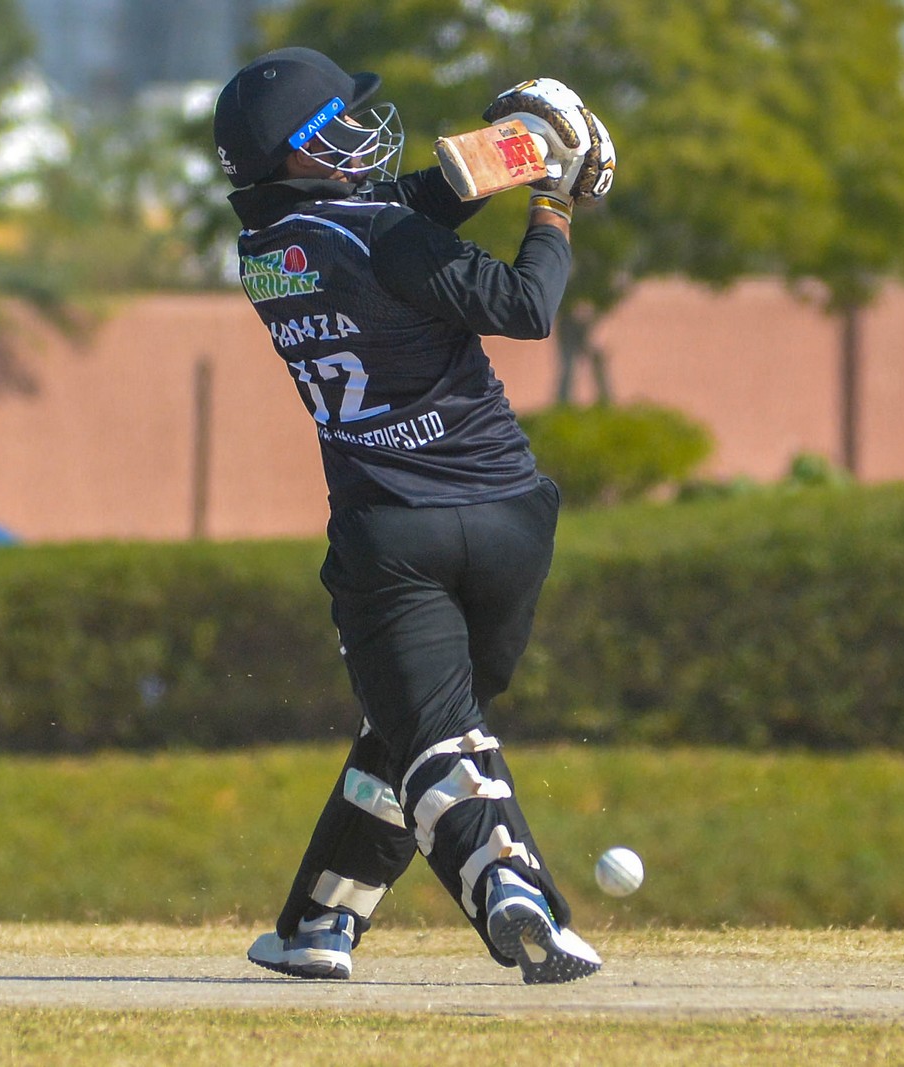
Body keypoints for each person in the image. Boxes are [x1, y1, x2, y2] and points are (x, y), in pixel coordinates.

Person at [212, 47, 614, 985]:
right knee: (420, 727)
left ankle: (506, 885)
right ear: (300, 151)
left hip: (392, 532)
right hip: (509, 516)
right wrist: (553, 201)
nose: (361, 133)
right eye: (339, 126)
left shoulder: (264, 253)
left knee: (431, 729)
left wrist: (518, 149)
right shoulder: (384, 233)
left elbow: (401, 210)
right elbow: (526, 305)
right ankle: (323, 920)